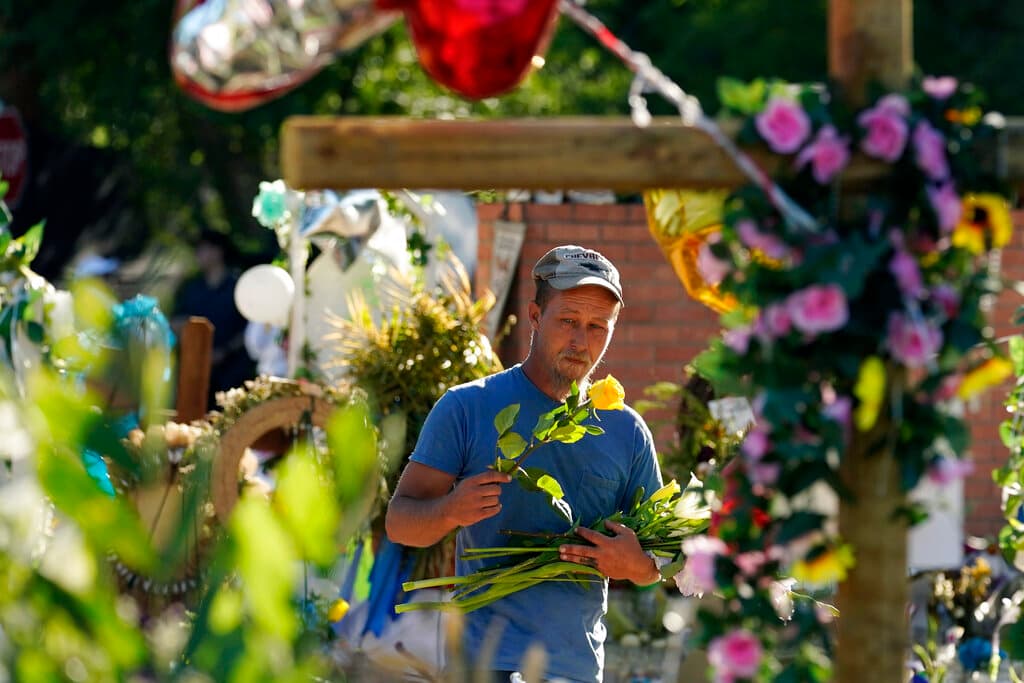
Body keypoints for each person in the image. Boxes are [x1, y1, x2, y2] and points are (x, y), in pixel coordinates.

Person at [386, 245, 663, 682]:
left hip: (574, 666)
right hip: (481, 662)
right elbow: (400, 522)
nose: (581, 340)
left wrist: (638, 567)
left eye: (597, 327)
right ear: (535, 316)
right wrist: (450, 510)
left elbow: (663, 557)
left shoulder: (627, 431)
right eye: (568, 321)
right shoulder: (467, 406)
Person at [172, 229, 254, 408]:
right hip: (197, 374)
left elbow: (249, 328)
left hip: (232, 374)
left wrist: (224, 351)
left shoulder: (238, 287)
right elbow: (178, 320)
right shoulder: (192, 289)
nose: (198, 255)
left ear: (218, 251)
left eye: (203, 249)